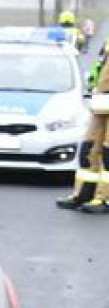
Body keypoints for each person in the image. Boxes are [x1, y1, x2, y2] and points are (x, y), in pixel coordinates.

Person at [58, 45, 109, 214]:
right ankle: (84, 194)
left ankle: (104, 198)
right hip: (102, 102)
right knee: (90, 148)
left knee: (108, 154)